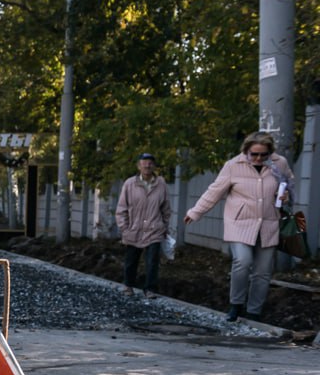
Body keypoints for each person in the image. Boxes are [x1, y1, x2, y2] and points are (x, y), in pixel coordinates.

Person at [184, 132, 293, 321]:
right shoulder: (233, 166)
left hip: (268, 223)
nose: (259, 159)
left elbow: (289, 184)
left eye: (263, 155)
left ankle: (254, 311)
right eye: (254, 154)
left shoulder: (279, 163)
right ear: (246, 151)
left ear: (270, 153)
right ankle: (235, 305)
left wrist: (287, 196)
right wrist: (195, 212)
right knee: (242, 261)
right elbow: (214, 191)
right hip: (239, 223)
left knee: (263, 270)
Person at [114, 152, 171, 298]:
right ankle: (128, 285)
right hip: (134, 229)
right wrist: (124, 228)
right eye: (144, 162)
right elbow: (121, 209)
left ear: (154, 166)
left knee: (152, 261)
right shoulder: (129, 184)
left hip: (154, 229)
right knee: (131, 260)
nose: (147, 165)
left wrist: (164, 226)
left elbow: (166, 208)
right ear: (138, 166)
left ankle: (150, 289)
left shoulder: (161, 184)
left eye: (150, 162)